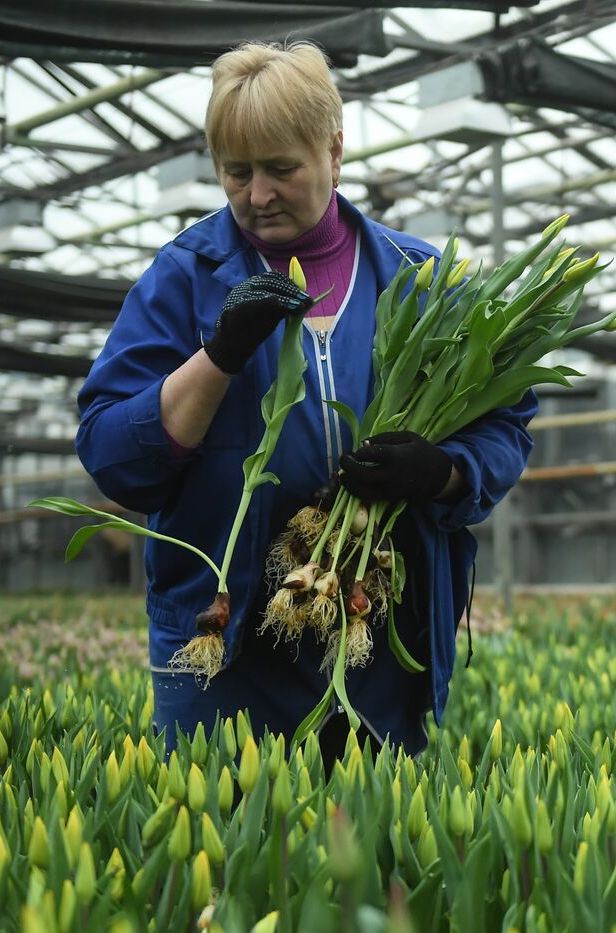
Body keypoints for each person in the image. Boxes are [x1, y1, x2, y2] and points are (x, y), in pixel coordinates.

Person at [74, 40, 536, 771]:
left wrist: (441, 471)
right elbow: (111, 454)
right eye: (237, 172)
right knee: (228, 856)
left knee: (370, 857)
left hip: (375, 642)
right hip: (224, 654)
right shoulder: (184, 277)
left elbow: (506, 423)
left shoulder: (416, 280)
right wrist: (219, 354)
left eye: (282, 168)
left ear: (335, 148)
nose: (258, 194)